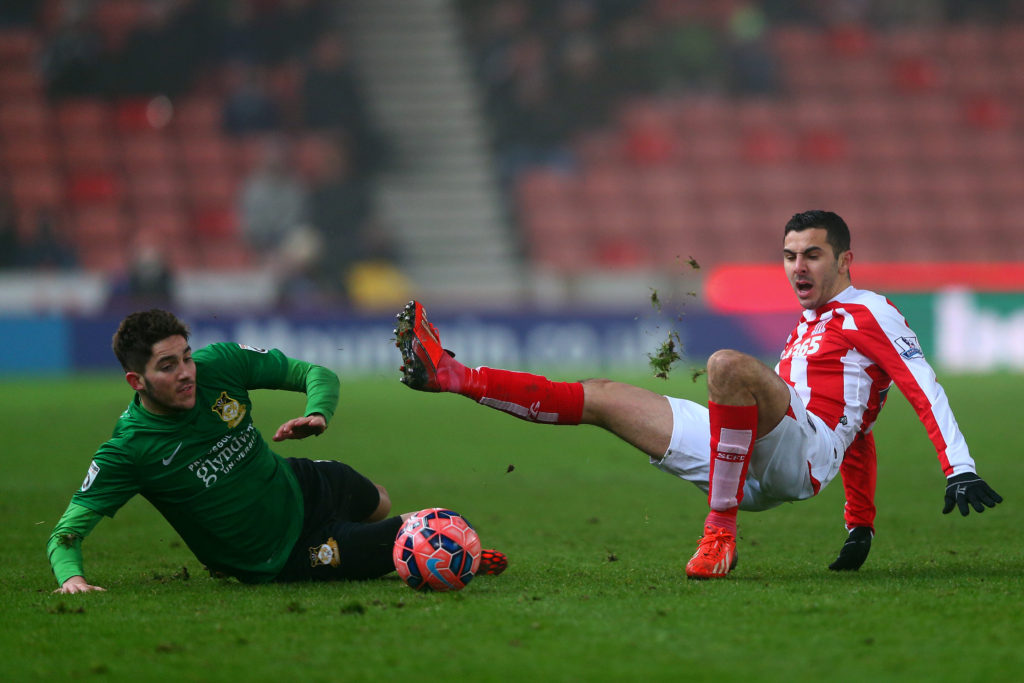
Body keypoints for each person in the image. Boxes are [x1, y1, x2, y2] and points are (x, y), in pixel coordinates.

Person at [393, 210, 1002, 579]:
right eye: (789, 256)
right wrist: (859, 525)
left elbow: (920, 386)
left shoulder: (870, 311)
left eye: (812, 255)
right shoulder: (812, 325)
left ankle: (720, 535)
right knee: (602, 396)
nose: (797, 267)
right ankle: (450, 374)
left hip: (798, 455)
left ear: (845, 259)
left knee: (726, 366)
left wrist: (960, 467)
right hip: (752, 458)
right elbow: (862, 424)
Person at [47, 309, 505, 593]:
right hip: (280, 554)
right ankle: (448, 549)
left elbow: (315, 373)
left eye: (186, 356)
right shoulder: (129, 451)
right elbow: (66, 533)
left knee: (380, 500)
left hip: (296, 482)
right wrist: (73, 580)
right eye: (168, 366)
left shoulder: (220, 364)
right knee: (402, 541)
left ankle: (427, 539)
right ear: (136, 381)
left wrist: (318, 413)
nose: (186, 372)